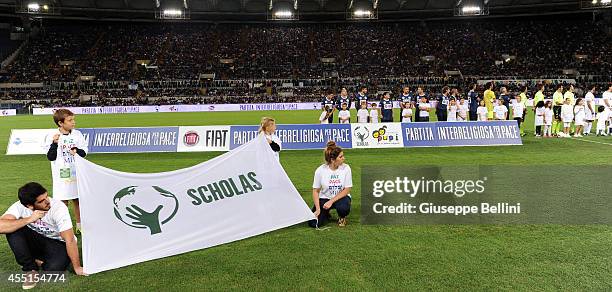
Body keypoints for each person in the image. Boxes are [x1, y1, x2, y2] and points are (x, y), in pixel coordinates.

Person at [0, 182, 87, 289]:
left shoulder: (58, 208)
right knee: (12, 229)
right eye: (41, 201)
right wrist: (29, 219)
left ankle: (37, 260)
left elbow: (70, 239)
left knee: (54, 271)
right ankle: (30, 269)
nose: (47, 202)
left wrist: (77, 267)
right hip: (38, 239)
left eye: (46, 196)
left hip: (59, 243)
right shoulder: (19, 206)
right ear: (30, 206)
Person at [44, 109, 87, 235]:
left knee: (78, 200)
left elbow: (84, 153)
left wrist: (77, 151)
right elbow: (50, 157)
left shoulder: (77, 134)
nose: (73, 122)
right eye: (70, 120)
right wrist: (54, 144)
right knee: (62, 203)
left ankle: (80, 226)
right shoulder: (52, 135)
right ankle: (64, 228)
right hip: (61, 175)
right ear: (60, 123)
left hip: (77, 172)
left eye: (73, 119)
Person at [308, 141, 352, 228]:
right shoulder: (320, 170)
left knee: (343, 208)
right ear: (332, 160)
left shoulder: (346, 168)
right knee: (313, 223)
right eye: (341, 156)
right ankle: (325, 214)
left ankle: (342, 217)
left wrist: (331, 201)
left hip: (341, 197)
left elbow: (347, 189)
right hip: (324, 198)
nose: (344, 158)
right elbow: (316, 191)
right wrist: (318, 209)